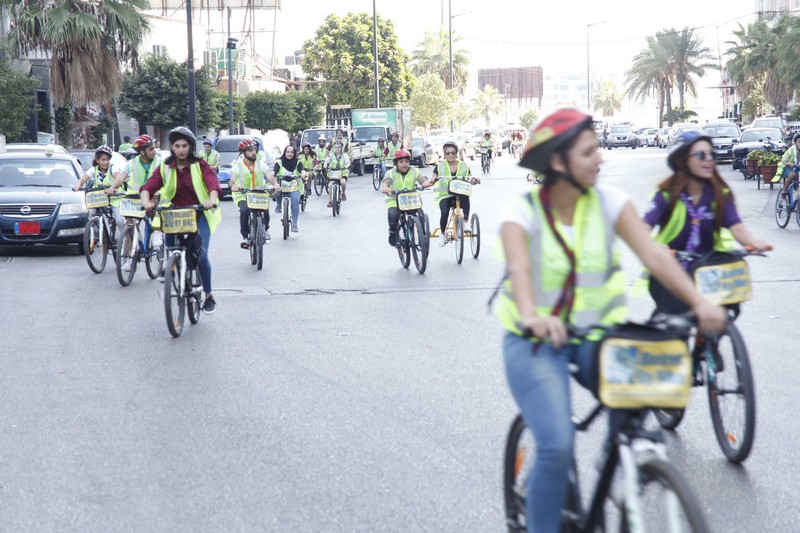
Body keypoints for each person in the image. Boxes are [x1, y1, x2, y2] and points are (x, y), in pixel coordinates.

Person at [495, 109, 727, 533]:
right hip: (534, 342)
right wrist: (532, 316)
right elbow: (521, 269)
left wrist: (698, 302)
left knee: (637, 404)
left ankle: (619, 460)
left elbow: (655, 255)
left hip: (596, 337)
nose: (600, 158)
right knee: (557, 446)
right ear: (559, 163)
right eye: (589, 152)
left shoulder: (610, 203)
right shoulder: (522, 211)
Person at [643, 130, 770, 310]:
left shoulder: (720, 194)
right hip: (672, 272)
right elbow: (642, 228)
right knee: (675, 329)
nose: (709, 159)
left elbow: (736, 226)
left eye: (712, 154)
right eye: (701, 155)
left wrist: (753, 242)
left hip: (709, 271)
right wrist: (654, 248)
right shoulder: (665, 195)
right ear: (682, 160)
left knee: (722, 318)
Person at [139, 127, 221, 314]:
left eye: (185, 145)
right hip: (174, 215)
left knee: (202, 256)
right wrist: (146, 202)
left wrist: (211, 201)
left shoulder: (200, 165)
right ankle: (174, 276)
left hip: (198, 214)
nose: (181, 149)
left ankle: (208, 295)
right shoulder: (165, 167)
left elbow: (212, 184)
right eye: (177, 146)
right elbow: (148, 186)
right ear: (172, 147)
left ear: (190, 146)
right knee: (171, 255)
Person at [106, 134, 164, 272]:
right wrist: (111, 188)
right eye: (150, 149)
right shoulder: (131, 163)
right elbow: (120, 179)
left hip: (152, 196)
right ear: (142, 152)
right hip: (133, 197)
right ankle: (129, 257)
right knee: (129, 226)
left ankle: (157, 233)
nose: (154, 151)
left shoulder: (160, 162)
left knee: (152, 210)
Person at [430, 140, 480, 247]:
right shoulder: (439, 166)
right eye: (447, 153)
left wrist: (475, 180)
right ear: (444, 154)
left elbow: (470, 177)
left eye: (453, 153)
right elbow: (433, 177)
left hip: (460, 193)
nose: (450, 155)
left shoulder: (463, 165)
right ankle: (443, 234)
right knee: (444, 213)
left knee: (466, 196)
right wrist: (434, 179)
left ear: (456, 153)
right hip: (445, 196)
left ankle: (465, 221)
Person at [380, 149, 433, 246]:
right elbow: (385, 183)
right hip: (394, 200)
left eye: (406, 162)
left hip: (411, 200)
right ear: (396, 163)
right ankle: (392, 233)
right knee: (393, 215)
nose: (404, 164)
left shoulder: (414, 171)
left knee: (421, 215)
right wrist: (386, 189)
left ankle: (423, 234)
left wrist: (426, 184)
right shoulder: (391, 173)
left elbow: (423, 180)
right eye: (401, 162)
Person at [230, 138, 275, 249]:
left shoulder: (262, 164)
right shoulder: (238, 166)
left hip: (259, 193)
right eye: (250, 150)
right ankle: (245, 237)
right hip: (243, 194)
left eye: (254, 149)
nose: (253, 152)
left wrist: (275, 185)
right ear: (243, 152)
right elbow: (231, 182)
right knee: (245, 211)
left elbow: (270, 177)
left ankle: (265, 230)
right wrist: (234, 186)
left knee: (265, 210)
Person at [72, 145, 126, 235]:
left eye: (107, 160)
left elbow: (118, 178)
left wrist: (112, 188)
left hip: (114, 198)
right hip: (99, 198)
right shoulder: (94, 169)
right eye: (103, 160)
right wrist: (78, 185)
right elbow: (82, 179)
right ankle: (95, 232)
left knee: (119, 219)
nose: (105, 162)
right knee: (91, 215)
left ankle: (124, 239)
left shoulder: (113, 168)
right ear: (97, 160)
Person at [273, 145, 306, 232]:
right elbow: (274, 170)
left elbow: (301, 169)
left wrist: (303, 173)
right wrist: (273, 173)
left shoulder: (298, 162)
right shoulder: (279, 162)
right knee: (277, 190)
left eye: (291, 152)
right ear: (285, 153)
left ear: (294, 153)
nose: (289, 154)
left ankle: (294, 224)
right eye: (288, 152)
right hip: (282, 184)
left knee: (295, 202)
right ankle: (279, 205)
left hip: (294, 186)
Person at [324, 141, 350, 207]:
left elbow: (348, 162)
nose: (337, 149)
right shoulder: (331, 155)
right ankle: (330, 201)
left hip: (342, 173)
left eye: (338, 147)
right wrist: (325, 165)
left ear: (341, 148)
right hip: (333, 174)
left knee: (343, 182)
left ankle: (343, 193)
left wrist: (346, 166)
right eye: (336, 147)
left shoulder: (345, 155)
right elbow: (326, 161)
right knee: (330, 185)